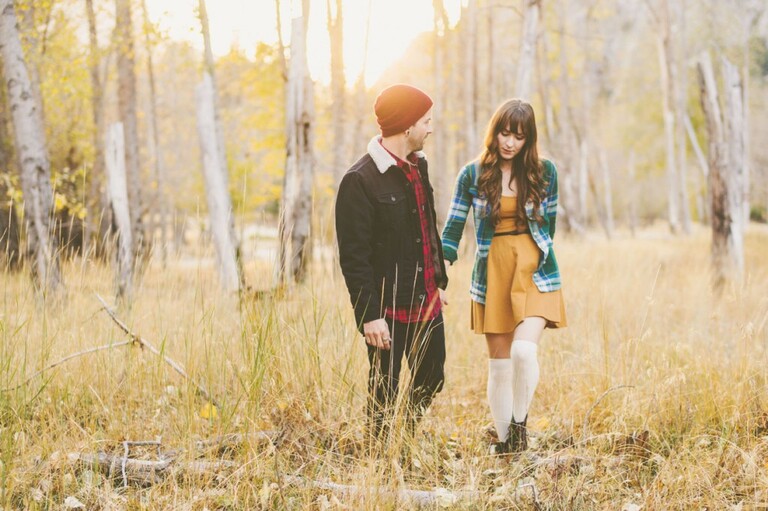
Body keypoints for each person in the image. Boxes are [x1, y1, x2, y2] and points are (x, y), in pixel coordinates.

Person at [441, 99, 566, 454]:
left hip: (536, 269)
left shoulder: (545, 172)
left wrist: (530, 252)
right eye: (505, 133)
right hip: (493, 271)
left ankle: (520, 427)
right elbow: (452, 229)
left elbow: (549, 225)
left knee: (523, 352)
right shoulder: (472, 174)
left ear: (529, 139)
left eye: (519, 136)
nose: (510, 142)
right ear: (494, 132)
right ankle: (508, 446)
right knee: (499, 367)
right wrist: (438, 277)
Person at [335, 84, 449, 445]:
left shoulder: (418, 165)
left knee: (432, 377)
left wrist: (437, 281)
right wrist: (370, 315)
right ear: (407, 125)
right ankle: (379, 455)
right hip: (386, 308)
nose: (430, 128)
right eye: (426, 121)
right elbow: (354, 258)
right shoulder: (359, 180)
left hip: (426, 300)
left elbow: (426, 228)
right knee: (384, 388)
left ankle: (406, 437)